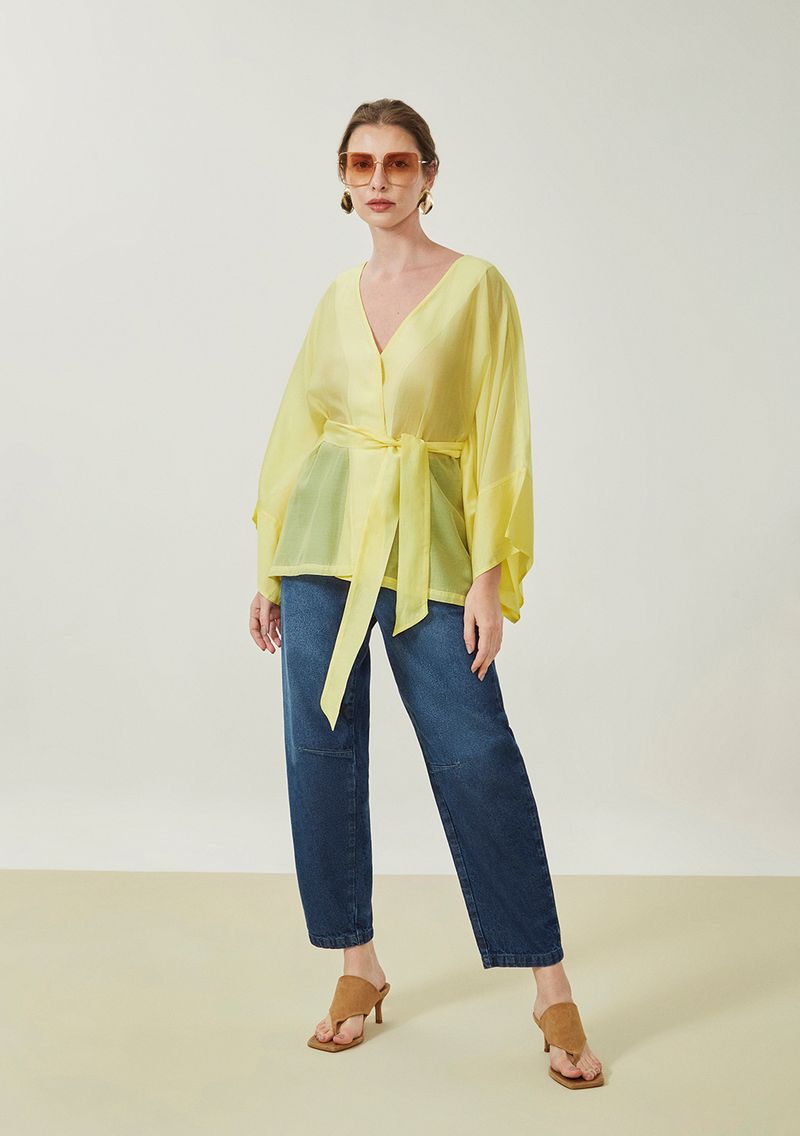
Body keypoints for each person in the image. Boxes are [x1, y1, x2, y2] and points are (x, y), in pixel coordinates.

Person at [248, 98, 604, 1088]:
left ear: (428, 175)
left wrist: (488, 574)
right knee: (319, 750)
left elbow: (499, 432)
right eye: (361, 162)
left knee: (475, 751)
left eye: (398, 162)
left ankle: (548, 982)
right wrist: (269, 563)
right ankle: (356, 964)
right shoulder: (336, 296)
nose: (379, 179)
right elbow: (298, 429)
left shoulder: (477, 286)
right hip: (322, 541)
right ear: (343, 176)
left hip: (432, 545)